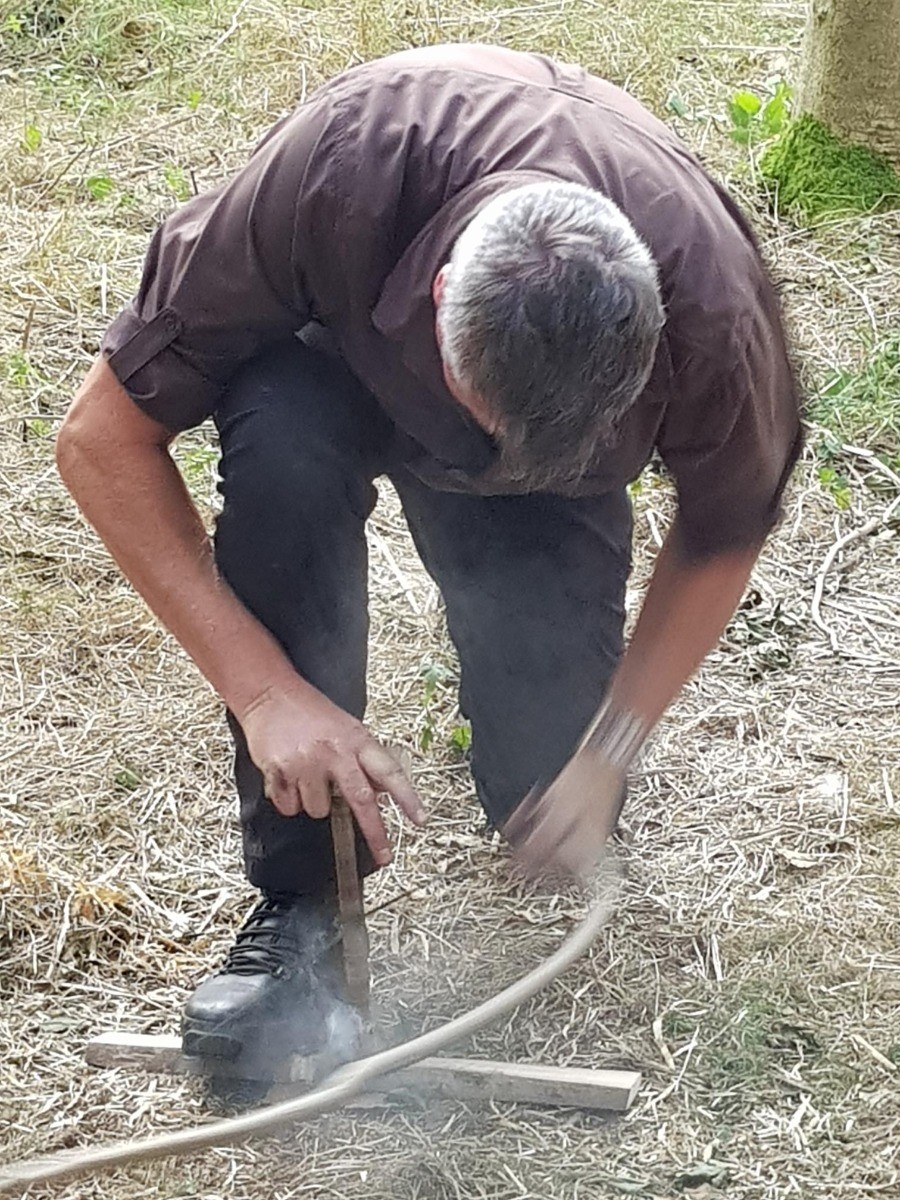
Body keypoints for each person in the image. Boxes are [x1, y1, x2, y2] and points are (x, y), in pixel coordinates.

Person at [56, 44, 802, 1065]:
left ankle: (545, 736)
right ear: (445, 292)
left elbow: (725, 529)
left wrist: (606, 753)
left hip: (558, 473)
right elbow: (98, 441)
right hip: (334, 384)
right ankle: (302, 912)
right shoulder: (337, 174)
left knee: (548, 781)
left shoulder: (717, 311)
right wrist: (267, 692)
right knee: (282, 444)